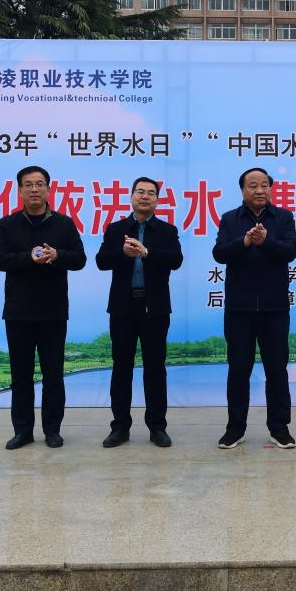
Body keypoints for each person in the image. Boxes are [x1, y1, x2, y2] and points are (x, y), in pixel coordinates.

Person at [0, 166, 86, 450]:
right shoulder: (7, 224)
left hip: (53, 312)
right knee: (20, 376)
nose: (34, 189)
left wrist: (57, 255)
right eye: (28, 184)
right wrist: (29, 259)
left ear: (48, 189)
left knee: (53, 376)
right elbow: (0, 260)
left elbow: (80, 259)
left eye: (40, 184)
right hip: (18, 312)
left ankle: (52, 431)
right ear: (19, 190)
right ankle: (22, 432)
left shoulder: (64, 224)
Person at [212, 167, 296, 449]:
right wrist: (246, 241)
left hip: (275, 309)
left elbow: (290, 251)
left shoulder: (283, 217)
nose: (260, 190)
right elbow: (219, 253)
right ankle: (235, 428)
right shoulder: (230, 219)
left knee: (277, 370)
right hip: (239, 310)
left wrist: (266, 241)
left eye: (264, 185)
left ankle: (279, 428)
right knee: (238, 370)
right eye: (253, 185)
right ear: (243, 190)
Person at [96, 177, 183, 448]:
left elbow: (176, 260)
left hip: (154, 308)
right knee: (121, 368)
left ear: (157, 199)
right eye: (140, 192)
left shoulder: (167, 230)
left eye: (151, 193)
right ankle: (120, 427)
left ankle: (157, 427)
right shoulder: (116, 229)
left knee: (155, 369)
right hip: (123, 308)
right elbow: (101, 261)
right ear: (132, 196)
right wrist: (123, 253)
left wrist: (147, 253)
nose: (145, 196)